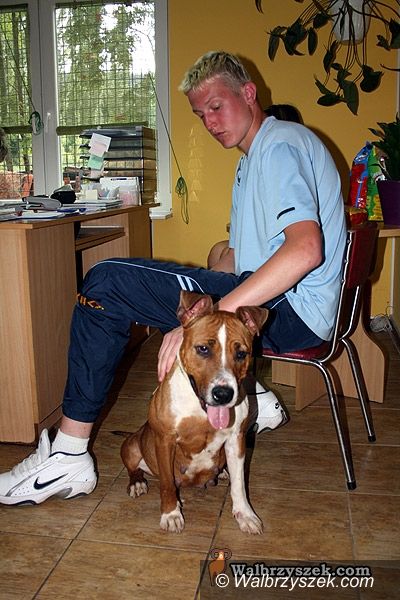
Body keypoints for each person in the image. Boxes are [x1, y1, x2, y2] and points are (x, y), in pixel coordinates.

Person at [0, 51, 346, 506]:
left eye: (217, 106)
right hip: (288, 305)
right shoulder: (254, 158)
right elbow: (238, 258)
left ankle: (68, 453)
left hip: (293, 312)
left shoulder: (279, 145)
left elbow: (305, 250)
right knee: (185, 278)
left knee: (105, 281)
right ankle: (251, 392)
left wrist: (205, 318)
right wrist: (191, 311)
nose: (210, 122)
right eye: (201, 114)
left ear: (248, 93)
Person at [207, 103, 303, 269]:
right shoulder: (245, 163)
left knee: (225, 255)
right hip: (259, 244)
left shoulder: (287, 160)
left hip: (281, 250)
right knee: (218, 251)